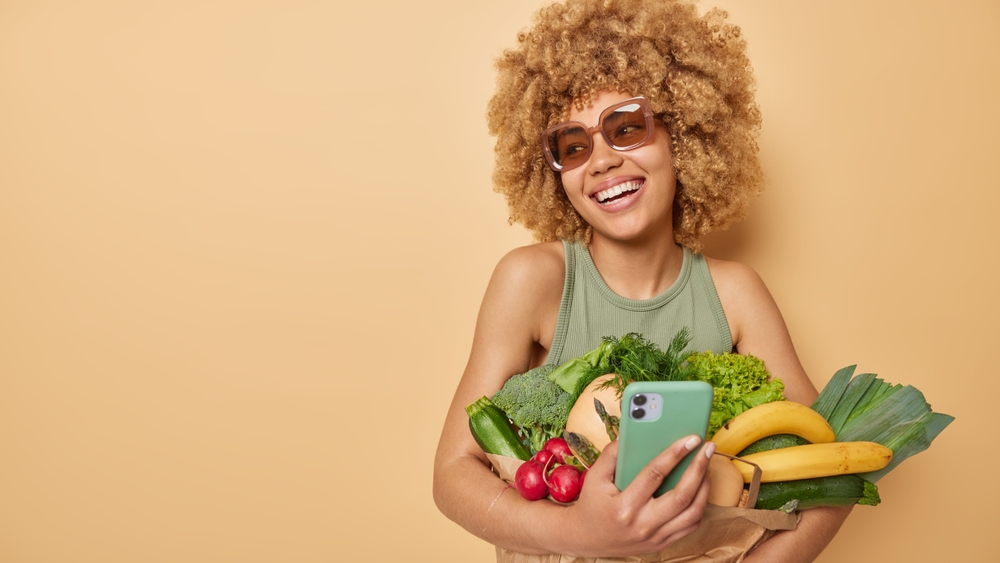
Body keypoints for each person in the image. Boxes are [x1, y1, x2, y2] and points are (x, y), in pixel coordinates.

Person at [433, 0, 852, 560]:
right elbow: (453, 475)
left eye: (626, 128)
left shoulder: (735, 295)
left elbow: (830, 472)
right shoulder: (532, 281)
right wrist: (580, 534)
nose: (602, 160)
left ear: (683, 136)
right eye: (573, 146)